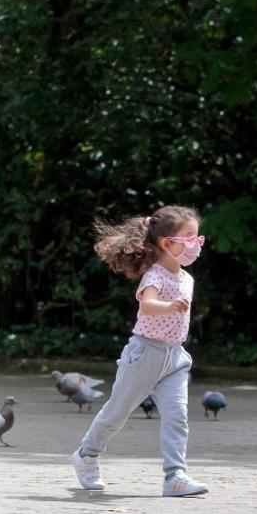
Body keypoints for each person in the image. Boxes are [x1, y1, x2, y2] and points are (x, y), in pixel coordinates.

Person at [70, 205, 209, 497]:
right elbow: (147, 305)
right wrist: (169, 307)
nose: (196, 245)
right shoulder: (155, 276)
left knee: (177, 415)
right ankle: (87, 455)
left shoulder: (187, 278)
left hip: (175, 358)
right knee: (117, 413)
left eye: (198, 238)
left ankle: (175, 476)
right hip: (144, 354)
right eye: (189, 238)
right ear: (166, 243)